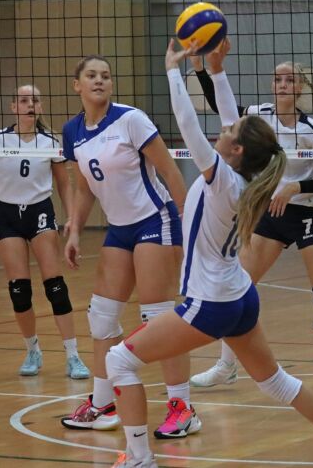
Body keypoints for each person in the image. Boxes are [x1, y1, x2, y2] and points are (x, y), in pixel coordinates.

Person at [106, 39, 313, 468]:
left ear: (237, 150)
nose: (223, 130)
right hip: (240, 296)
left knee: (118, 360)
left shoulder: (221, 179)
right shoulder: (246, 177)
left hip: (210, 302)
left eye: (228, 134)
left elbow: (187, 123)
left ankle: (139, 458)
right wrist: (216, 70)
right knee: (275, 381)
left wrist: (173, 70)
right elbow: (233, 119)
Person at [189, 52, 313, 403]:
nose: (282, 84)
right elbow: (221, 107)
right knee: (237, 288)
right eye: (278, 79)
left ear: (301, 88)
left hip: (306, 214)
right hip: (270, 214)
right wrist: (203, 69)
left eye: (290, 80)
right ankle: (226, 365)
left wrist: (297, 187)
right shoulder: (258, 117)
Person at [60, 55, 200, 439]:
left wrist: (189, 219)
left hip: (156, 220)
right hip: (119, 229)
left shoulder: (131, 119)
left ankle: (182, 407)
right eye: (91, 75)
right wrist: (74, 231)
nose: (99, 81)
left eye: (105, 76)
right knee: (102, 317)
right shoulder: (72, 131)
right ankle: (103, 404)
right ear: (77, 85)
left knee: (159, 319)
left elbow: (169, 170)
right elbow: (84, 187)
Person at [0, 84, 90, 380]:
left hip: (39, 212)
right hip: (7, 215)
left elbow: (64, 184)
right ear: (13, 107)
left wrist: (72, 218)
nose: (30, 104)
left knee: (55, 287)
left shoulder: (50, 142)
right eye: (24, 100)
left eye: (35, 100)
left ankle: (73, 356)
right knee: (19, 291)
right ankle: (32, 350)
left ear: (40, 107)